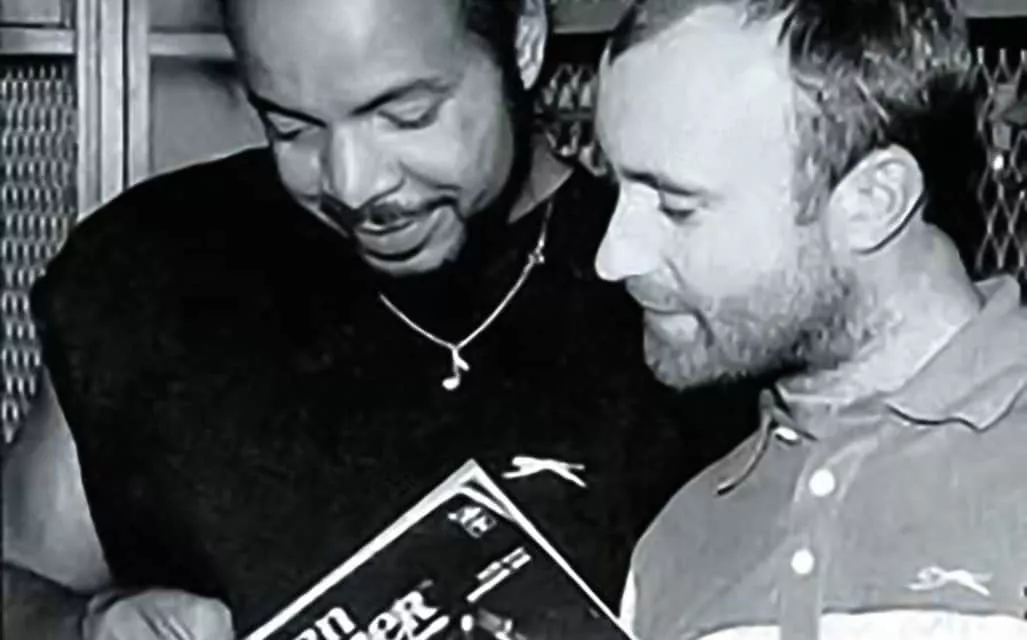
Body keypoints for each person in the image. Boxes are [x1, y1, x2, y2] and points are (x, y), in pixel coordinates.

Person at [1, 0, 759, 638]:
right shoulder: (148, 272)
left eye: (406, 115)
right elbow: (19, 579)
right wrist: (83, 624)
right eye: (291, 127)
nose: (352, 184)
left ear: (524, 42)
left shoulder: (688, 303)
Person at [593, 0, 1027, 638]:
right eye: (617, 189)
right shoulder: (675, 547)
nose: (612, 257)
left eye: (677, 206)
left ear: (873, 202)